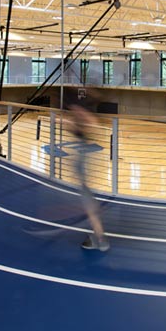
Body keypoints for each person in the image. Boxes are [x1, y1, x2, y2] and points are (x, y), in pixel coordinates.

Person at [67, 100, 110, 251]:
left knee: (90, 209)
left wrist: (81, 115)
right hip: (82, 170)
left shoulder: (88, 123)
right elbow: (72, 127)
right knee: (89, 206)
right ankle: (99, 237)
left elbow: (91, 123)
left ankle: (100, 239)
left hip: (84, 169)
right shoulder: (80, 127)